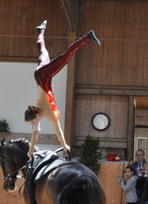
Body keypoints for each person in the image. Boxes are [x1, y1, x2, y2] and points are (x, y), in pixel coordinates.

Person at [24, 20, 101, 158]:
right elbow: (35, 135)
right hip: (39, 73)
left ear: (35, 116)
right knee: (42, 49)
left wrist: (64, 145)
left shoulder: (48, 113)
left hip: (44, 75)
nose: (35, 125)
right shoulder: (36, 110)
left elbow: (58, 130)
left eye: (34, 122)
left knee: (66, 56)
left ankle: (87, 37)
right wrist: (30, 151)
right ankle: (41, 30)